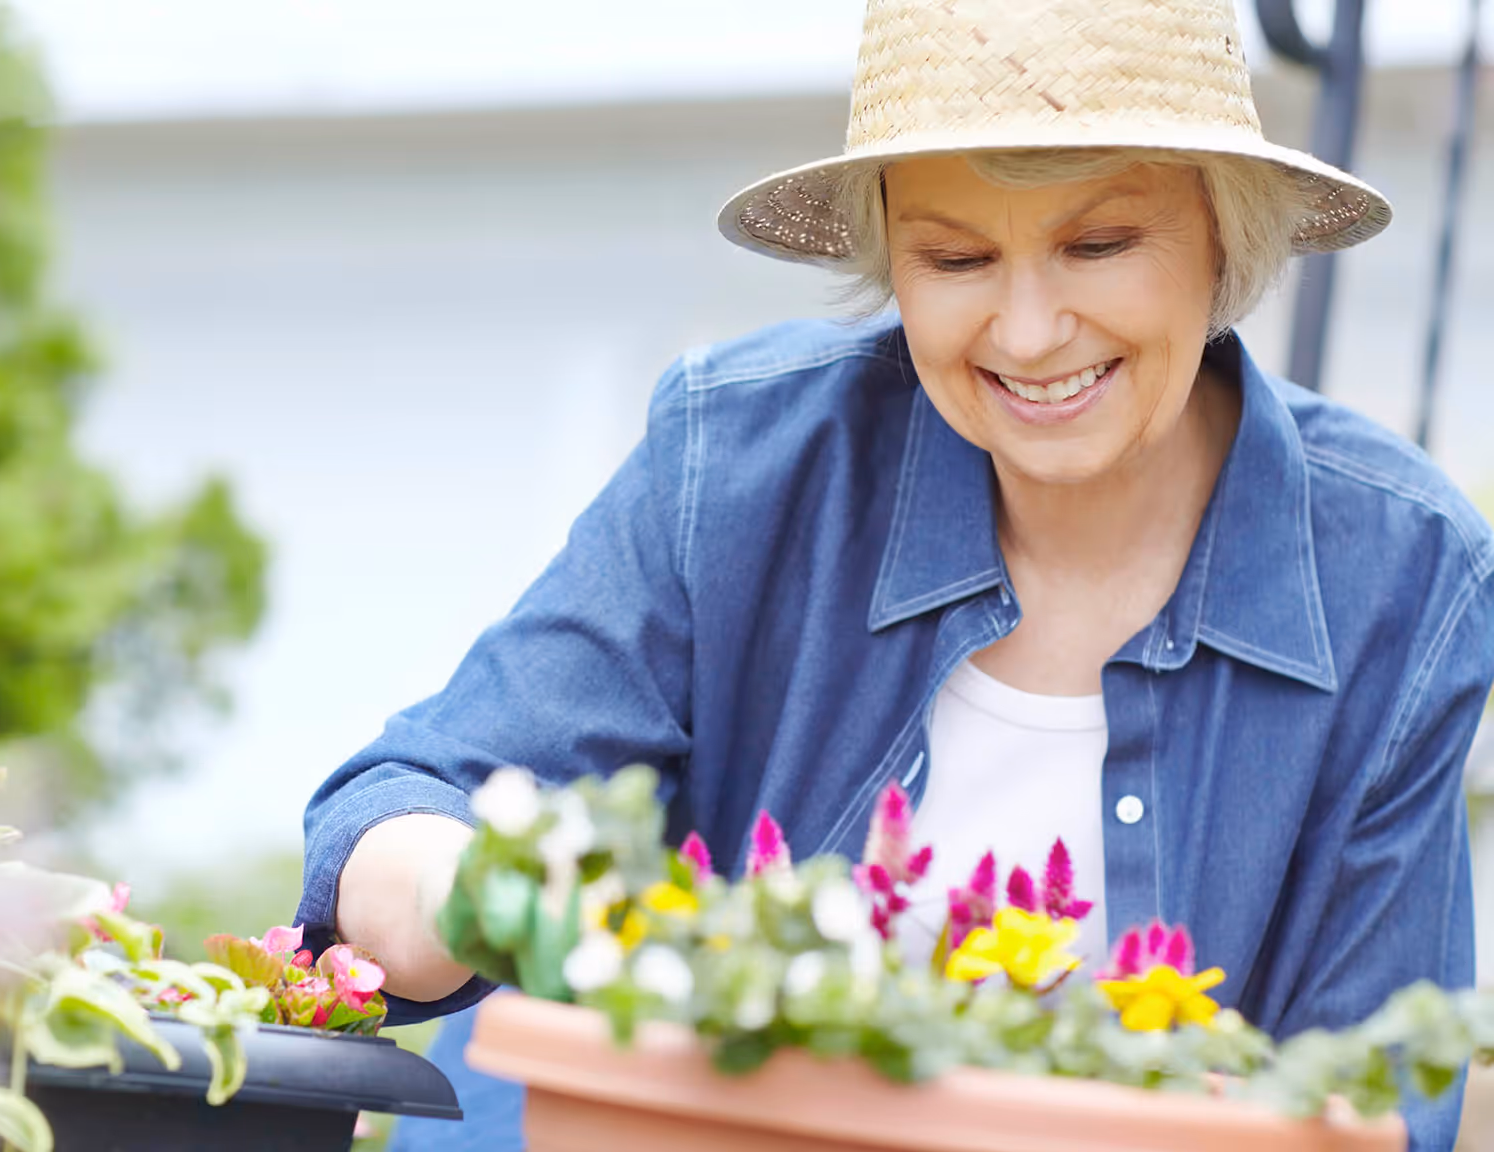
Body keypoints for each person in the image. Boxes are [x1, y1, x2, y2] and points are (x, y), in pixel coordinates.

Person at [298, 1, 1494, 1147]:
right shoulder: (744, 464)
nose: (1027, 334)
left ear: (1224, 231)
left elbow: (1388, 1097)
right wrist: (472, 890)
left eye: (1099, 243)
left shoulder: (1401, 574)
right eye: (957, 257)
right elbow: (400, 807)